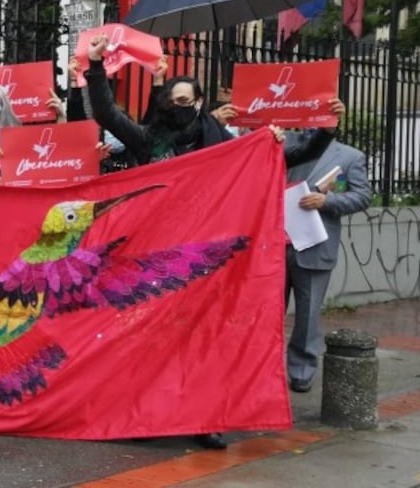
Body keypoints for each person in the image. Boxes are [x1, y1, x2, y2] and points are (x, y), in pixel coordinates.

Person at [82, 34, 341, 449]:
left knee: (206, 339)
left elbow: (288, 157)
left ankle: (207, 418)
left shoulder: (226, 143)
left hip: (210, 259)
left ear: (200, 102)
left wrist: (325, 128)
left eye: (186, 101)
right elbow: (108, 114)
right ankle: (143, 417)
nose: (178, 107)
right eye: (172, 101)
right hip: (156, 257)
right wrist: (96, 67)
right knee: (151, 339)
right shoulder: (147, 140)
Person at [285, 138, 370, 393]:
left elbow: (362, 197)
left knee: (308, 315)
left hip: (315, 245)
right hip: (274, 244)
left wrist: (327, 201)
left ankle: (301, 371)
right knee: (267, 314)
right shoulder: (283, 143)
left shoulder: (350, 156)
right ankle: (264, 369)